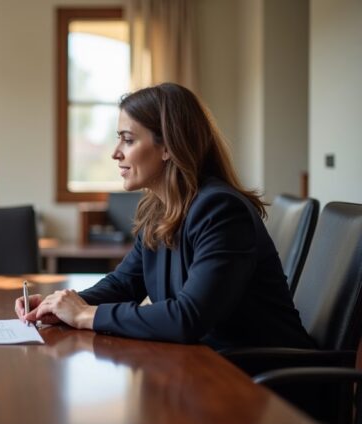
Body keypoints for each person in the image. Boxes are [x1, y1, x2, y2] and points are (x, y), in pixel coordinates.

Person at [16, 83, 313, 349]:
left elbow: (189, 317)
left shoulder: (221, 210)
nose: (115, 153)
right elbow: (125, 283)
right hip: (210, 368)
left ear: (168, 147)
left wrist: (84, 314)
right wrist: (65, 305)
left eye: (128, 140)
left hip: (262, 382)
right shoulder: (160, 207)